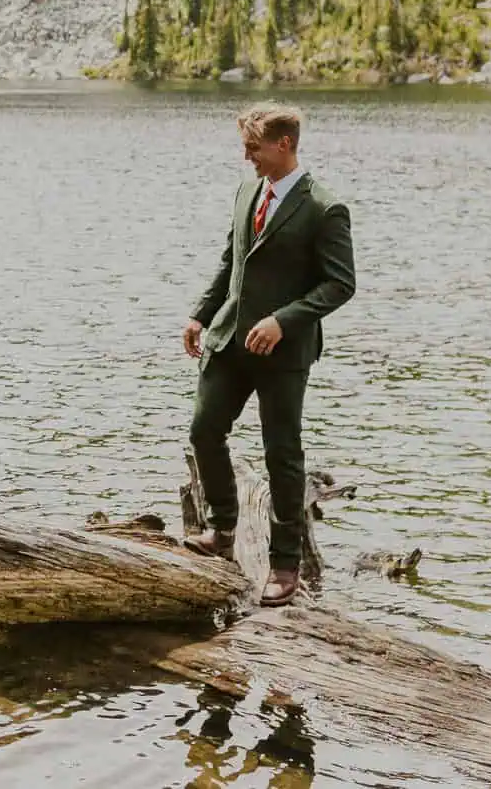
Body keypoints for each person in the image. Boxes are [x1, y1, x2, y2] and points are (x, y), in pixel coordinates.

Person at [182, 103, 356, 606]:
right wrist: (200, 314)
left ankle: (284, 565)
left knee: (283, 455)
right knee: (204, 430)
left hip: (283, 352)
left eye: (253, 147)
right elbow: (229, 261)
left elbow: (340, 285)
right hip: (230, 340)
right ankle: (222, 529)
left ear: (284, 145)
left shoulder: (325, 208)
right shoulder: (247, 191)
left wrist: (284, 320)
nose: (246, 156)